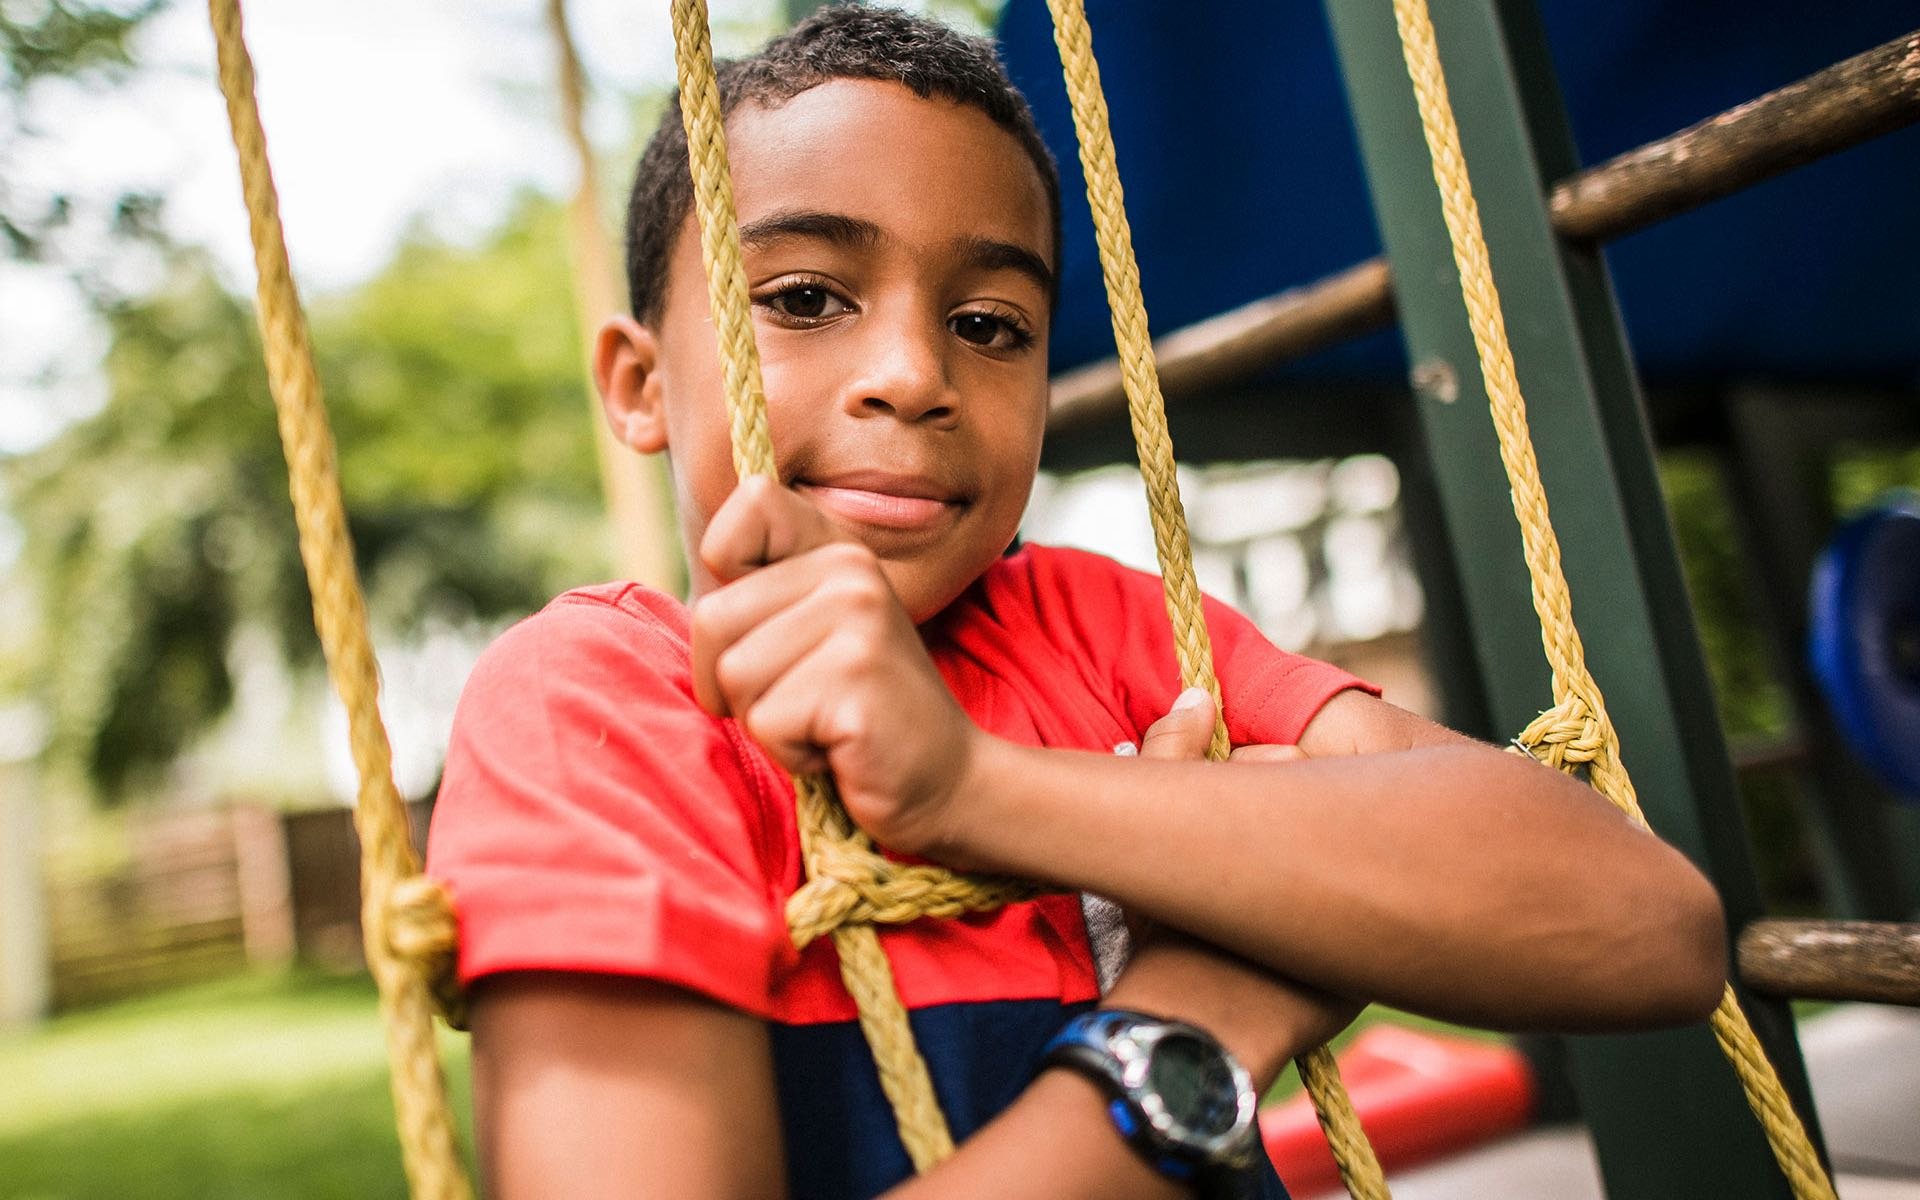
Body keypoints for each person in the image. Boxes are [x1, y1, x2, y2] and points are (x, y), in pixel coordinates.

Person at [425, 8, 1726, 1198]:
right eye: (806, 299)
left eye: (991, 323)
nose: (912, 374)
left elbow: (1652, 927)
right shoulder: (600, 709)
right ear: (639, 384)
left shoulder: (1113, 632)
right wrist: (1205, 1007)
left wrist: (971, 791)